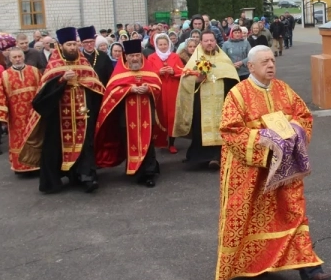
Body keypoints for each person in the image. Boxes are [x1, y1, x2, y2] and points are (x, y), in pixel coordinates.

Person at [215, 45, 331, 280]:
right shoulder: (238, 94)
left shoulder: (284, 90)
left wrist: (294, 130)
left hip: (285, 170)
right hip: (252, 173)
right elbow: (230, 131)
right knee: (254, 220)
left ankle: (311, 272)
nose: (270, 65)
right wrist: (267, 139)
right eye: (264, 62)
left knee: (292, 213)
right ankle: (256, 265)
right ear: (250, 66)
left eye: (272, 60)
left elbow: (304, 116)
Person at [19, 27, 106, 194]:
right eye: (69, 44)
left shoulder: (84, 63)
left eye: (74, 44)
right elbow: (43, 95)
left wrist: (83, 85)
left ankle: (85, 177)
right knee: (55, 148)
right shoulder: (54, 65)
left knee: (85, 146)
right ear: (61, 46)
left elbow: (96, 86)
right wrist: (61, 81)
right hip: (58, 117)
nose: (72, 48)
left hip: (82, 115)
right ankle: (53, 182)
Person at [95, 40, 164, 188]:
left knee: (148, 143)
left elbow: (158, 86)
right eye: (131, 55)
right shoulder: (120, 72)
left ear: (141, 56)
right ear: (125, 57)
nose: (134, 58)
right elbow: (111, 92)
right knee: (130, 141)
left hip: (147, 114)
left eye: (137, 55)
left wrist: (149, 89)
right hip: (126, 116)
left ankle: (149, 173)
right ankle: (135, 170)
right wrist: (129, 90)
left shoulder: (149, 69)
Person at [173, 31, 239, 169]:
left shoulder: (224, 59)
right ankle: (199, 158)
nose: (209, 43)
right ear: (201, 43)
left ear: (216, 42)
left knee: (221, 128)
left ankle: (217, 157)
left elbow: (232, 79)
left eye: (212, 40)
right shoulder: (195, 59)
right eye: (206, 41)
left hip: (220, 102)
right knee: (199, 128)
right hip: (200, 103)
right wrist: (196, 79)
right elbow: (185, 80)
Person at [0, 48, 41, 173]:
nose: (18, 59)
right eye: (14, 57)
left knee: (35, 137)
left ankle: (37, 164)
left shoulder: (35, 71)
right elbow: (1, 96)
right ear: (10, 59)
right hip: (16, 116)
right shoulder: (5, 75)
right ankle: (21, 166)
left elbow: (42, 91)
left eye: (19, 56)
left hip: (33, 113)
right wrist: (2, 116)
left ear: (23, 57)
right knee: (18, 140)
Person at [147, 33, 184, 154]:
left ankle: (172, 143)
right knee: (160, 115)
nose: (163, 46)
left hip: (173, 89)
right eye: (160, 44)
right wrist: (158, 72)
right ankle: (160, 141)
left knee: (172, 116)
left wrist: (173, 71)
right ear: (156, 45)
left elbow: (183, 72)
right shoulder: (151, 57)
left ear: (169, 44)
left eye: (165, 44)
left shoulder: (175, 56)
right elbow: (148, 74)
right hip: (159, 90)